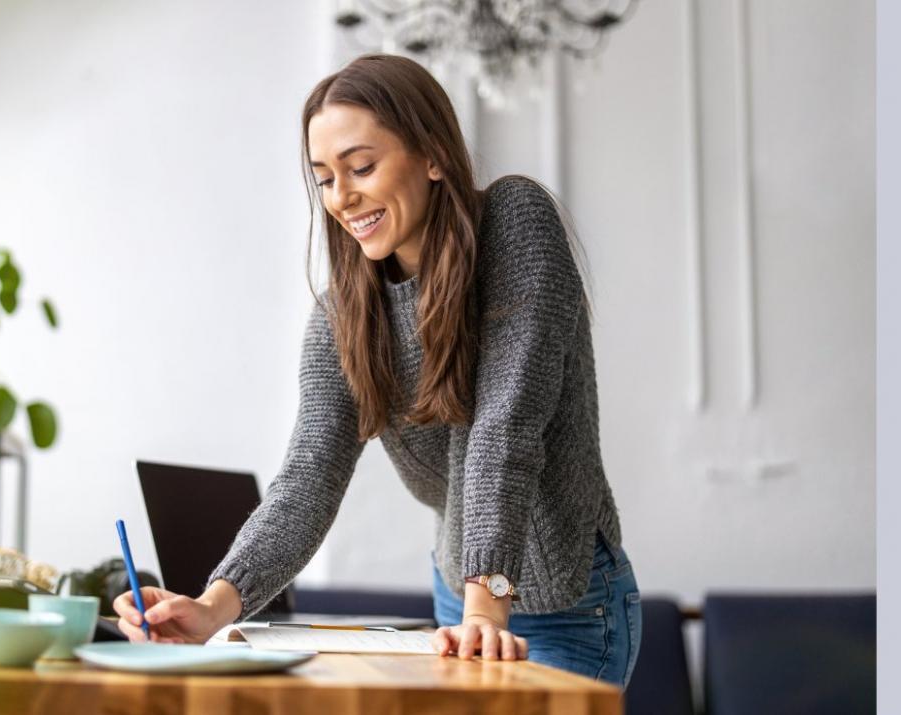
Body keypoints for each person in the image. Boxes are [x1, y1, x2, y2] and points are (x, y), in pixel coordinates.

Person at [113, 53, 640, 687]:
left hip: (565, 602)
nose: (342, 197)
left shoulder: (514, 222)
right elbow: (309, 475)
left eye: (361, 167)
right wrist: (211, 608)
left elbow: (505, 425)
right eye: (325, 178)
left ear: (433, 155)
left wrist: (486, 609)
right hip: (460, 602)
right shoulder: (344, 314)